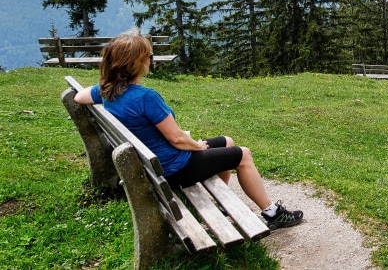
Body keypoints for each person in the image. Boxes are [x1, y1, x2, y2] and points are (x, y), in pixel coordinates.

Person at [73, 29, 303, 229]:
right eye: (148, 56)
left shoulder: (107, 91)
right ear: (136, 63)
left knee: (228, 142)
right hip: (172, 169)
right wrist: (196, 145)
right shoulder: (146, 97)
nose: (150, 60)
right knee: (243, 154)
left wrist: (102, 86)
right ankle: (272, 213)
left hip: (155, 164)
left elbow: (80, 96)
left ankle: (222, 203)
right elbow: (176, 139)